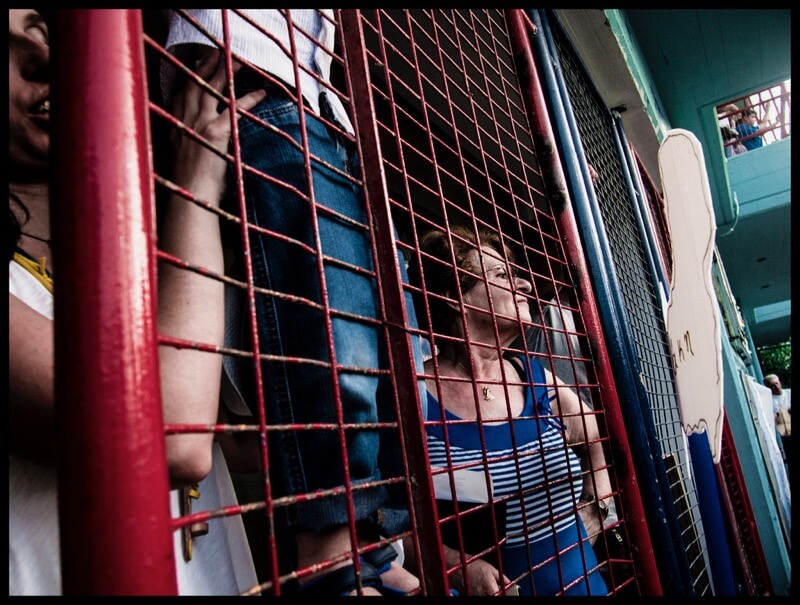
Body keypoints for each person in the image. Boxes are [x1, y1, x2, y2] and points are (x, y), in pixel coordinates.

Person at [160, 10, 424, 596]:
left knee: (386, 345)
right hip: (256, 76)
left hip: (320, 104)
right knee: (335, 338)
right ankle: (329, 549)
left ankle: (370, 543)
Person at [8, 8, 262, 595]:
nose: (44, 57)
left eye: (47, 31)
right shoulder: (179, 221)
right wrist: (197, 178)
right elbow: (173, 435)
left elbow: (249, 443)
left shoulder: (139, 254)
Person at [408, 225, 611, 596]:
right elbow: (389, 524)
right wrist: (456, 566)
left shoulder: (536, 378)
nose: (526, 286)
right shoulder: (415, 395)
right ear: (457, 297)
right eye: (502, 275)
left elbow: (595, 435)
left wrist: (597, 507)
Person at [764, 373, 791, 449]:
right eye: (772, 385)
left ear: (779, 382)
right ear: (768, 387)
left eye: (776, 383)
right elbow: (772, 418)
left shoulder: (789, 392)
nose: (776, 387)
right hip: (786, 434)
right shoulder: (769, 401)